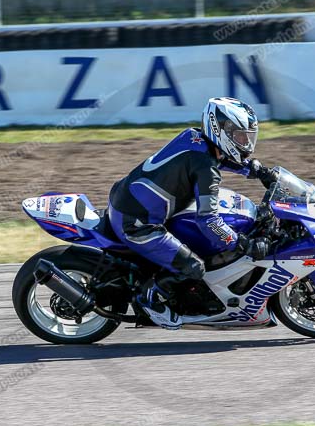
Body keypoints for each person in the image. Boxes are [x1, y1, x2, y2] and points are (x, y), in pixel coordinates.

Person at [107, 97, 278, 330]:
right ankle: (149, 300)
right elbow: (208, 220)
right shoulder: (206, 168)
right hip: (138, 223)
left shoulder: (193, 137)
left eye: (247, 136)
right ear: (220, 130)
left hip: (128, 198)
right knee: (194, 267)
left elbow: (215, 159)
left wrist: (256, 171)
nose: (245, 142)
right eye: (239, 135)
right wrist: (242, 244)